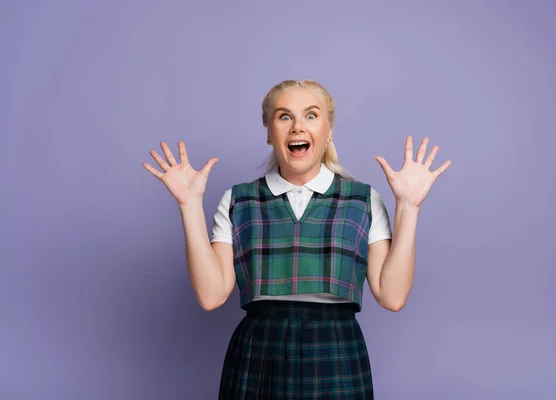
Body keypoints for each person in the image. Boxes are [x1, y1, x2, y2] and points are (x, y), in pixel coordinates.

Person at [142, 79, 451, 399]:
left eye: (311, 115)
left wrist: (409, 207)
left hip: (337, 352)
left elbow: (393, 296)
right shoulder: (239, 200)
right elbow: (210, 296)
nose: (297, 127)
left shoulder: (363, 200)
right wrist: (189, 205)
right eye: (284, 116)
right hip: (259, 354)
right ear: (269, 132)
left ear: (328, 130)